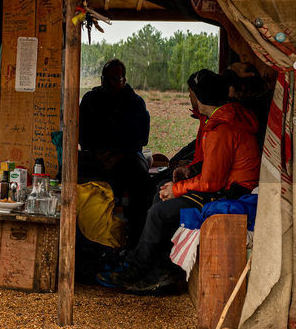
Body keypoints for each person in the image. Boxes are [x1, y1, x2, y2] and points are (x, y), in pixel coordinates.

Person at [107, 69, 260, 293]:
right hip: (227, 187)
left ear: (199, 96)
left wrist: (178, 189)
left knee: (160, 212)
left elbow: (211, 184)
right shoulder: (217, 119)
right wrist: (188, 172)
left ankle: (140, 272)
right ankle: (155, 267)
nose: (190, 99)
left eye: (190, 94)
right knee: (159, 191)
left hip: (232, 194)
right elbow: (211, 162)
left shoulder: (222, 128)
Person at [78, 60, 151, 242]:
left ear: (124, 80)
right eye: (105, 78)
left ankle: (135, 239)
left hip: (127, 156)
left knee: (141, 178)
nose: (110, 83)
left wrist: (119, 155)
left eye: (115, 79)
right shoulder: (90, 100)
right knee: (70, 169)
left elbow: (141, 138)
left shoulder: (135, 103)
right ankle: (82, 238)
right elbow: (80, 132)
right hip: (96, 155)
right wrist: (96, 154)